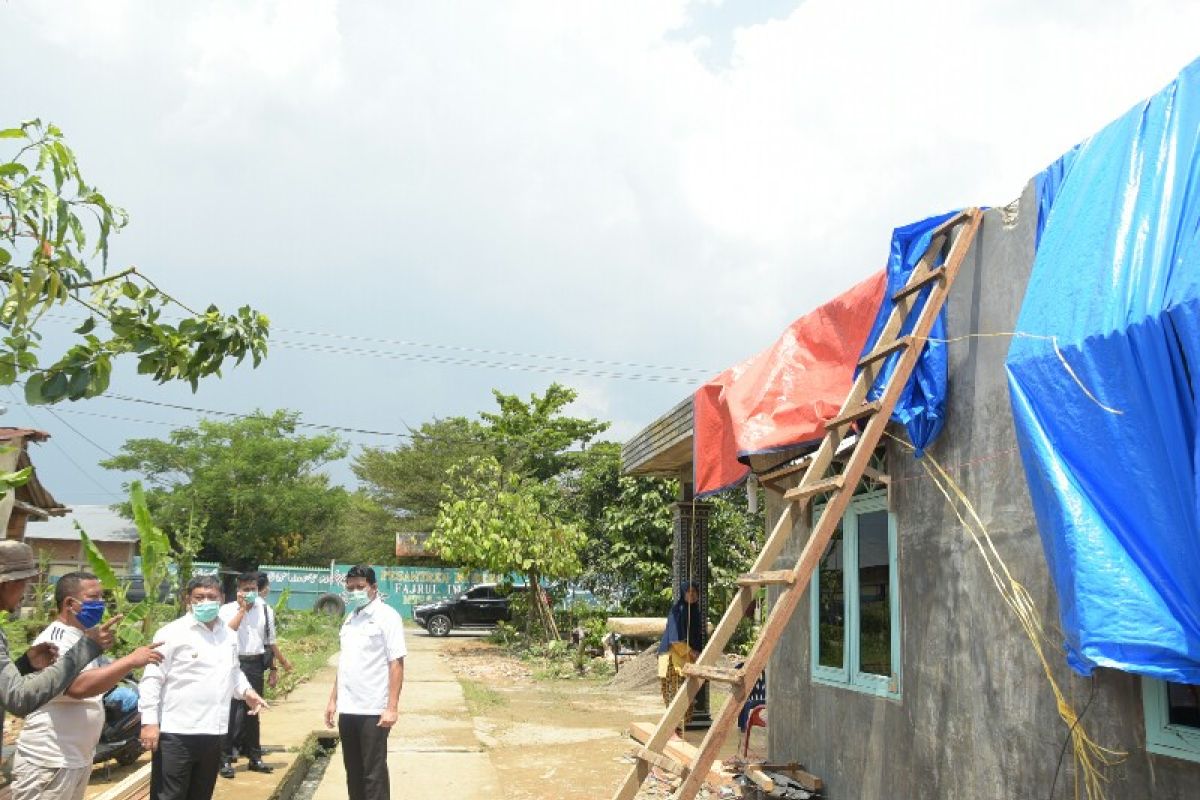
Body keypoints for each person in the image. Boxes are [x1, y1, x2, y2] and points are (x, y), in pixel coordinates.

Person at [12, 572, 163, 800]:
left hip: (75, 758)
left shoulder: (81, 637)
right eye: (93, 597)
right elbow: (77, 687)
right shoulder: (56, 639)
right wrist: (130, 660)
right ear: (70, 604)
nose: (100, 604)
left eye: (102, 597)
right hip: (50, 760)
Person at [139, 575, 269, 800]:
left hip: (214, 732)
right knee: (169, 795)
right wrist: (149, 722)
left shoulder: (227, 635)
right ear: (187, 599)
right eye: (199, 597)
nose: (206, 602)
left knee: (201, 794)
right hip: (177, 732)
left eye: (212, 597)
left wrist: (248, 692)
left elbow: (234, 671)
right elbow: (152, 678)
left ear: (222, 599)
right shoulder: (171, 633)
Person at [0, 542, 118, 742]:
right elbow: (19, 699)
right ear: (6, 584)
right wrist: (87, 647)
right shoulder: (59, 635)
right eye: (25, 583)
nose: (26, 591)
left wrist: (25, 665)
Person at [324, 565, 405, 800]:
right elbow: (345, 664)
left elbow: (396, 664)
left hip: (373, 710)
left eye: (360, 587)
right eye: (351, 588)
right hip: (348, 709)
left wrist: (392, 707)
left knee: (373, 773)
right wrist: (332, 700)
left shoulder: (388, 617)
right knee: (354, 772)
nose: (355, 591)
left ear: (374, 587)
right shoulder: (351, 618)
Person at [218, 571, 282, 778]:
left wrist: (273, 668)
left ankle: (255, 757)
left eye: (253, 589)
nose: (249, 593)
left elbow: (269, 641)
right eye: (245, 590)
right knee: (229, 712)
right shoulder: (227, 610)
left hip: (254, 663)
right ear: (238, 591)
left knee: (253, 712)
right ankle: (225, 759)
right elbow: (227, 634)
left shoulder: (266, 610)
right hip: (233, 662)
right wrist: (242, 611)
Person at [657, 582, 703, 729]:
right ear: (683, 594)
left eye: (695, 591)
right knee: (675, 696)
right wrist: (692, 652)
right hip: (673, 658)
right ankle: (672, 730)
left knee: (688, 696)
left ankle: (677, 730)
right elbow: (675, 639)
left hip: (687, 658)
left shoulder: (695, 612)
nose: (692, 595)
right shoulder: (677, 610)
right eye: (688, 592)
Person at [255, 571, 293, 688]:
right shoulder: (266, 610)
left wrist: (273, 668)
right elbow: (270, 643)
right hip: (254, 665)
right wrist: (284, 662)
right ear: (265, 588)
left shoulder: (232, 608)